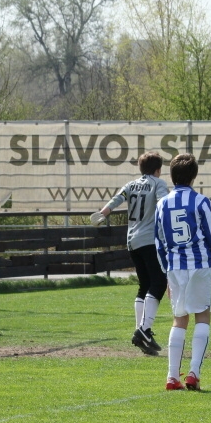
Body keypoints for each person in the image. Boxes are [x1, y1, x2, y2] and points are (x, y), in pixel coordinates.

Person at [154, 153, 211, 391]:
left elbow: (159, 242)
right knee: (203, 315)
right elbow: (210, 233)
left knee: (179, 319)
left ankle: (172, 376)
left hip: (175, 266)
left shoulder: (161, 203)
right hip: (199, 264)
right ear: (194, 176)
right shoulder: (200, 201)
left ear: (172, 176)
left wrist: (166, 271)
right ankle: (194, 373)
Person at [92, 152, 169, 356]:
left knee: (144, 284)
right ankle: (143, 330)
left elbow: (115, 201)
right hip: (149, 239)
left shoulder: (130, 185)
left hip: (132, 240)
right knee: (159, 282)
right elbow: (163, 205)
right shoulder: (158, 183)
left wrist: (101, 215)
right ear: (158, 169)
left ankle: (141, 331)